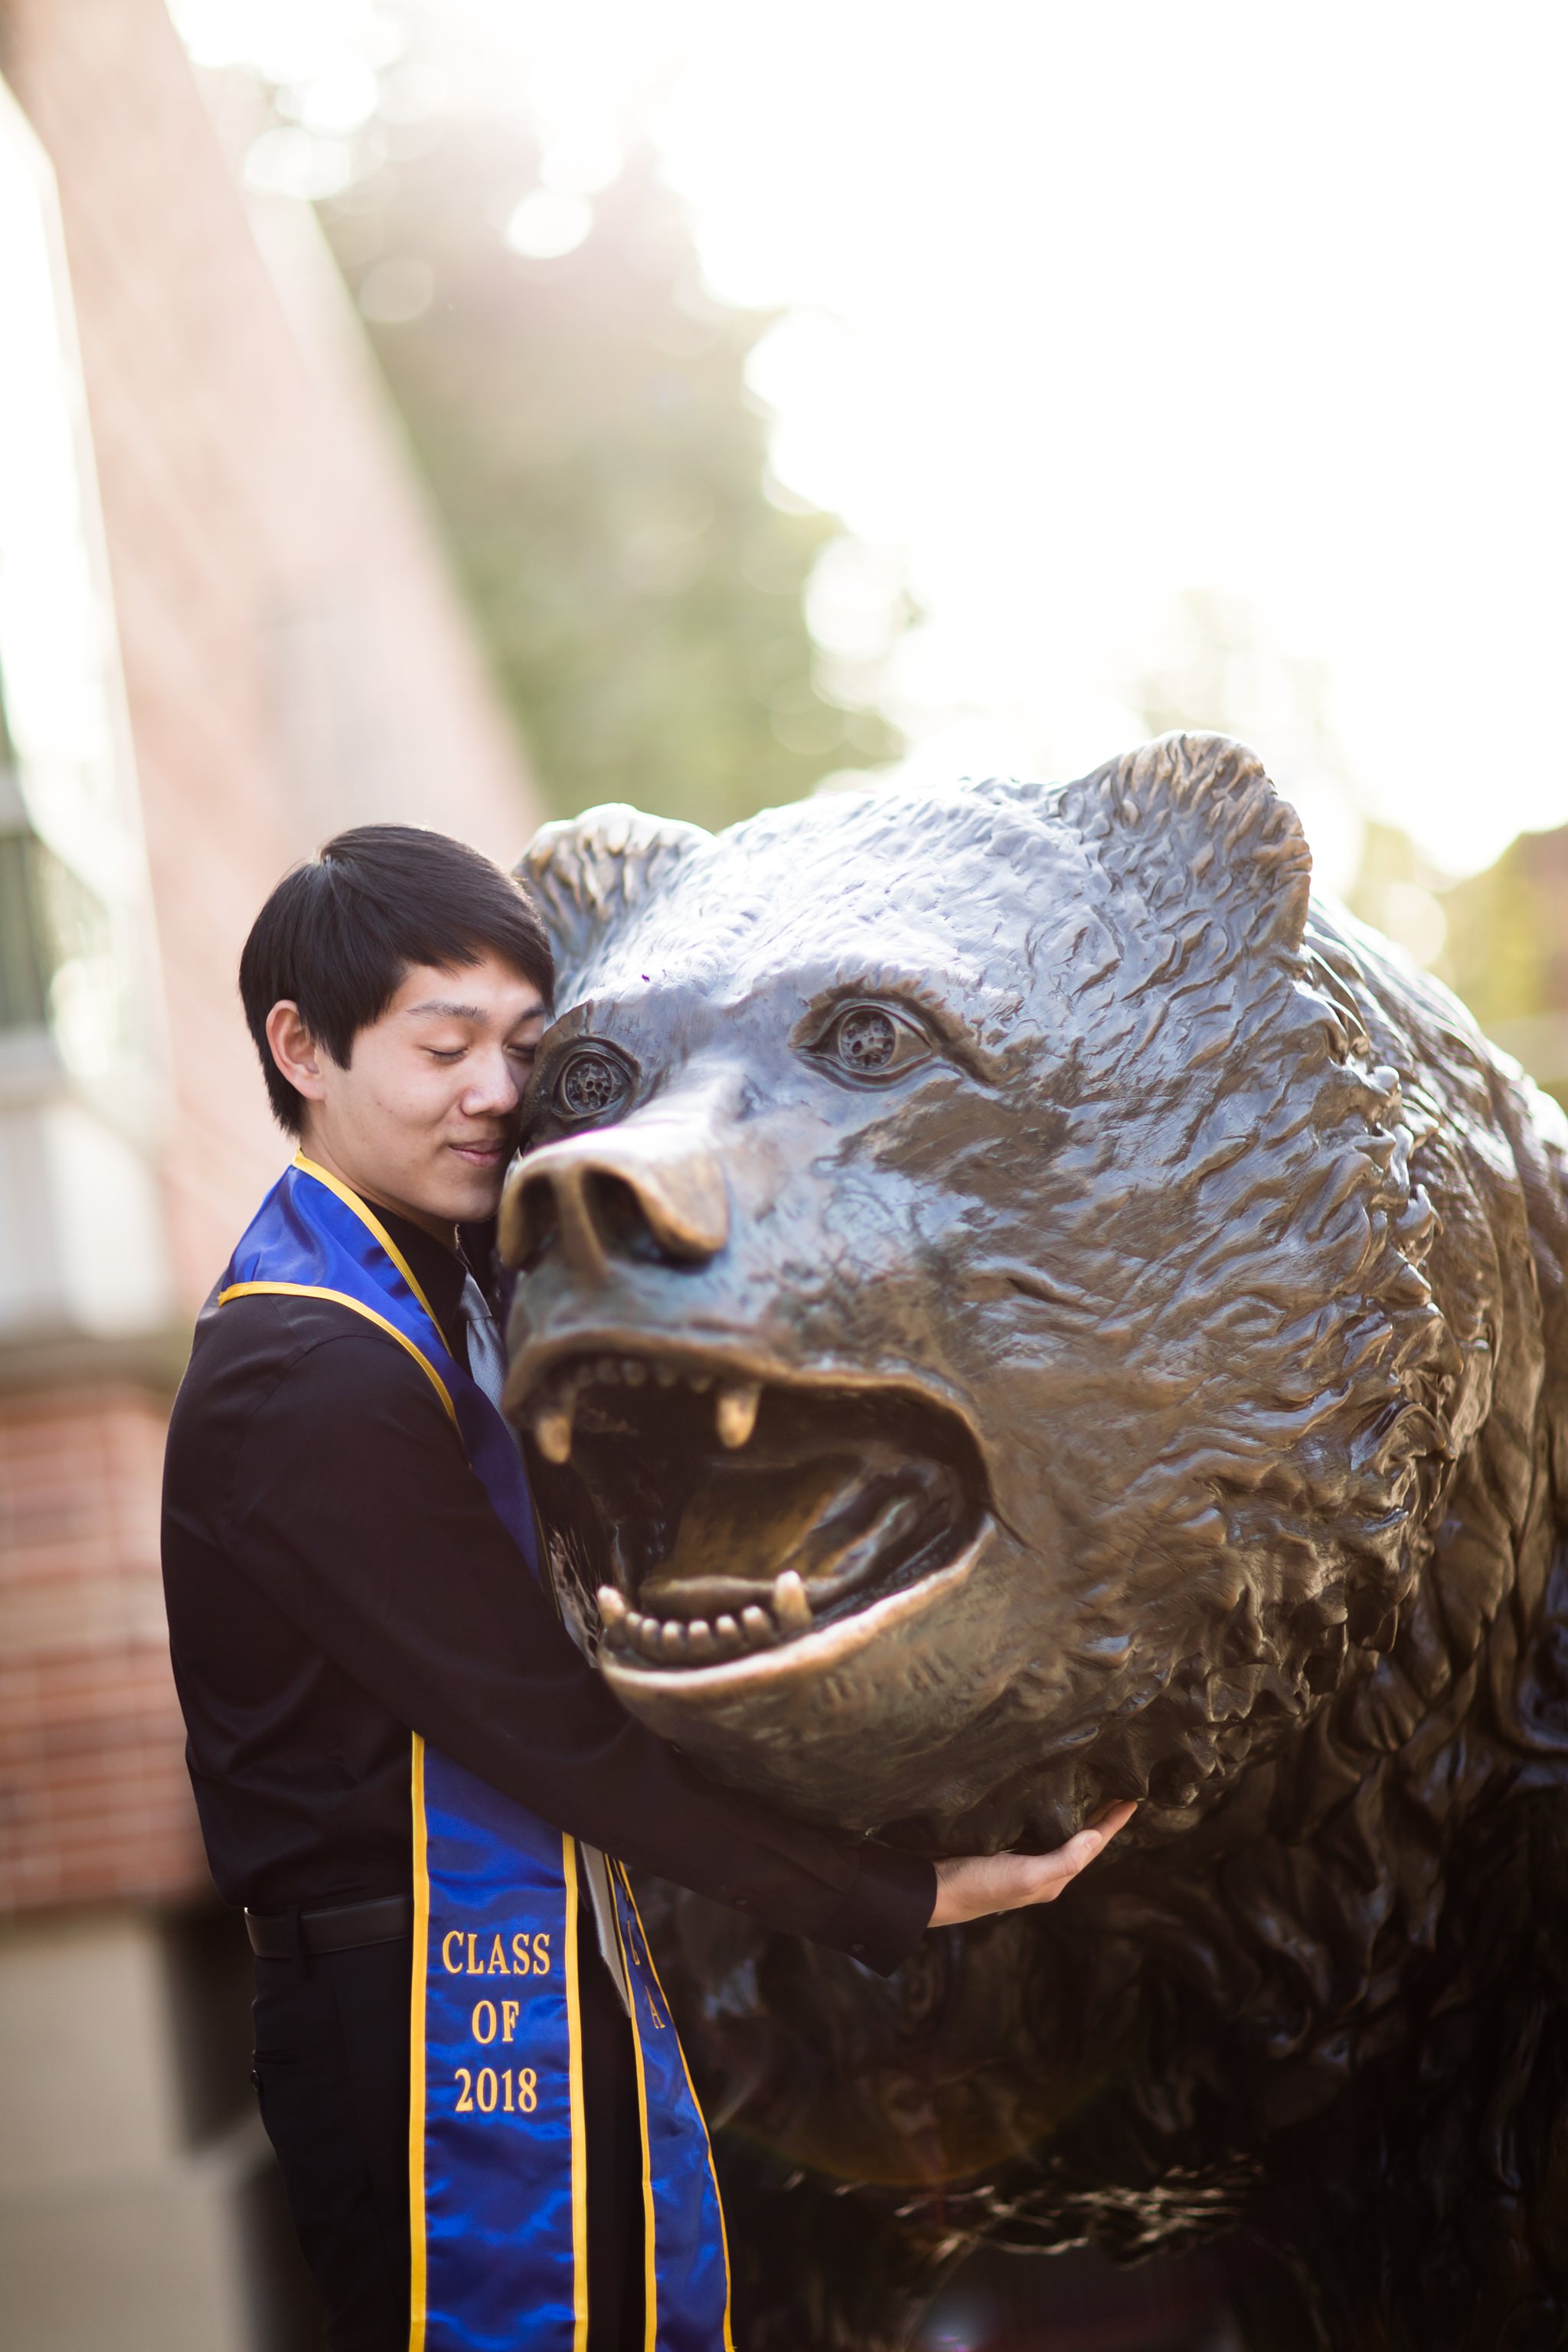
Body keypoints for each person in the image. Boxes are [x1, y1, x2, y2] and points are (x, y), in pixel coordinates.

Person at [160, 824, 1134, 2352]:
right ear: (302, 1047)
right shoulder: (305, 1371)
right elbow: (551, 1734)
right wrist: (908, 1895)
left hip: (535, 1961)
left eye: (525, 1047)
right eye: (443, 1046)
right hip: (427, 2021)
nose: (496, 1093)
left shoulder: (441, 1289)